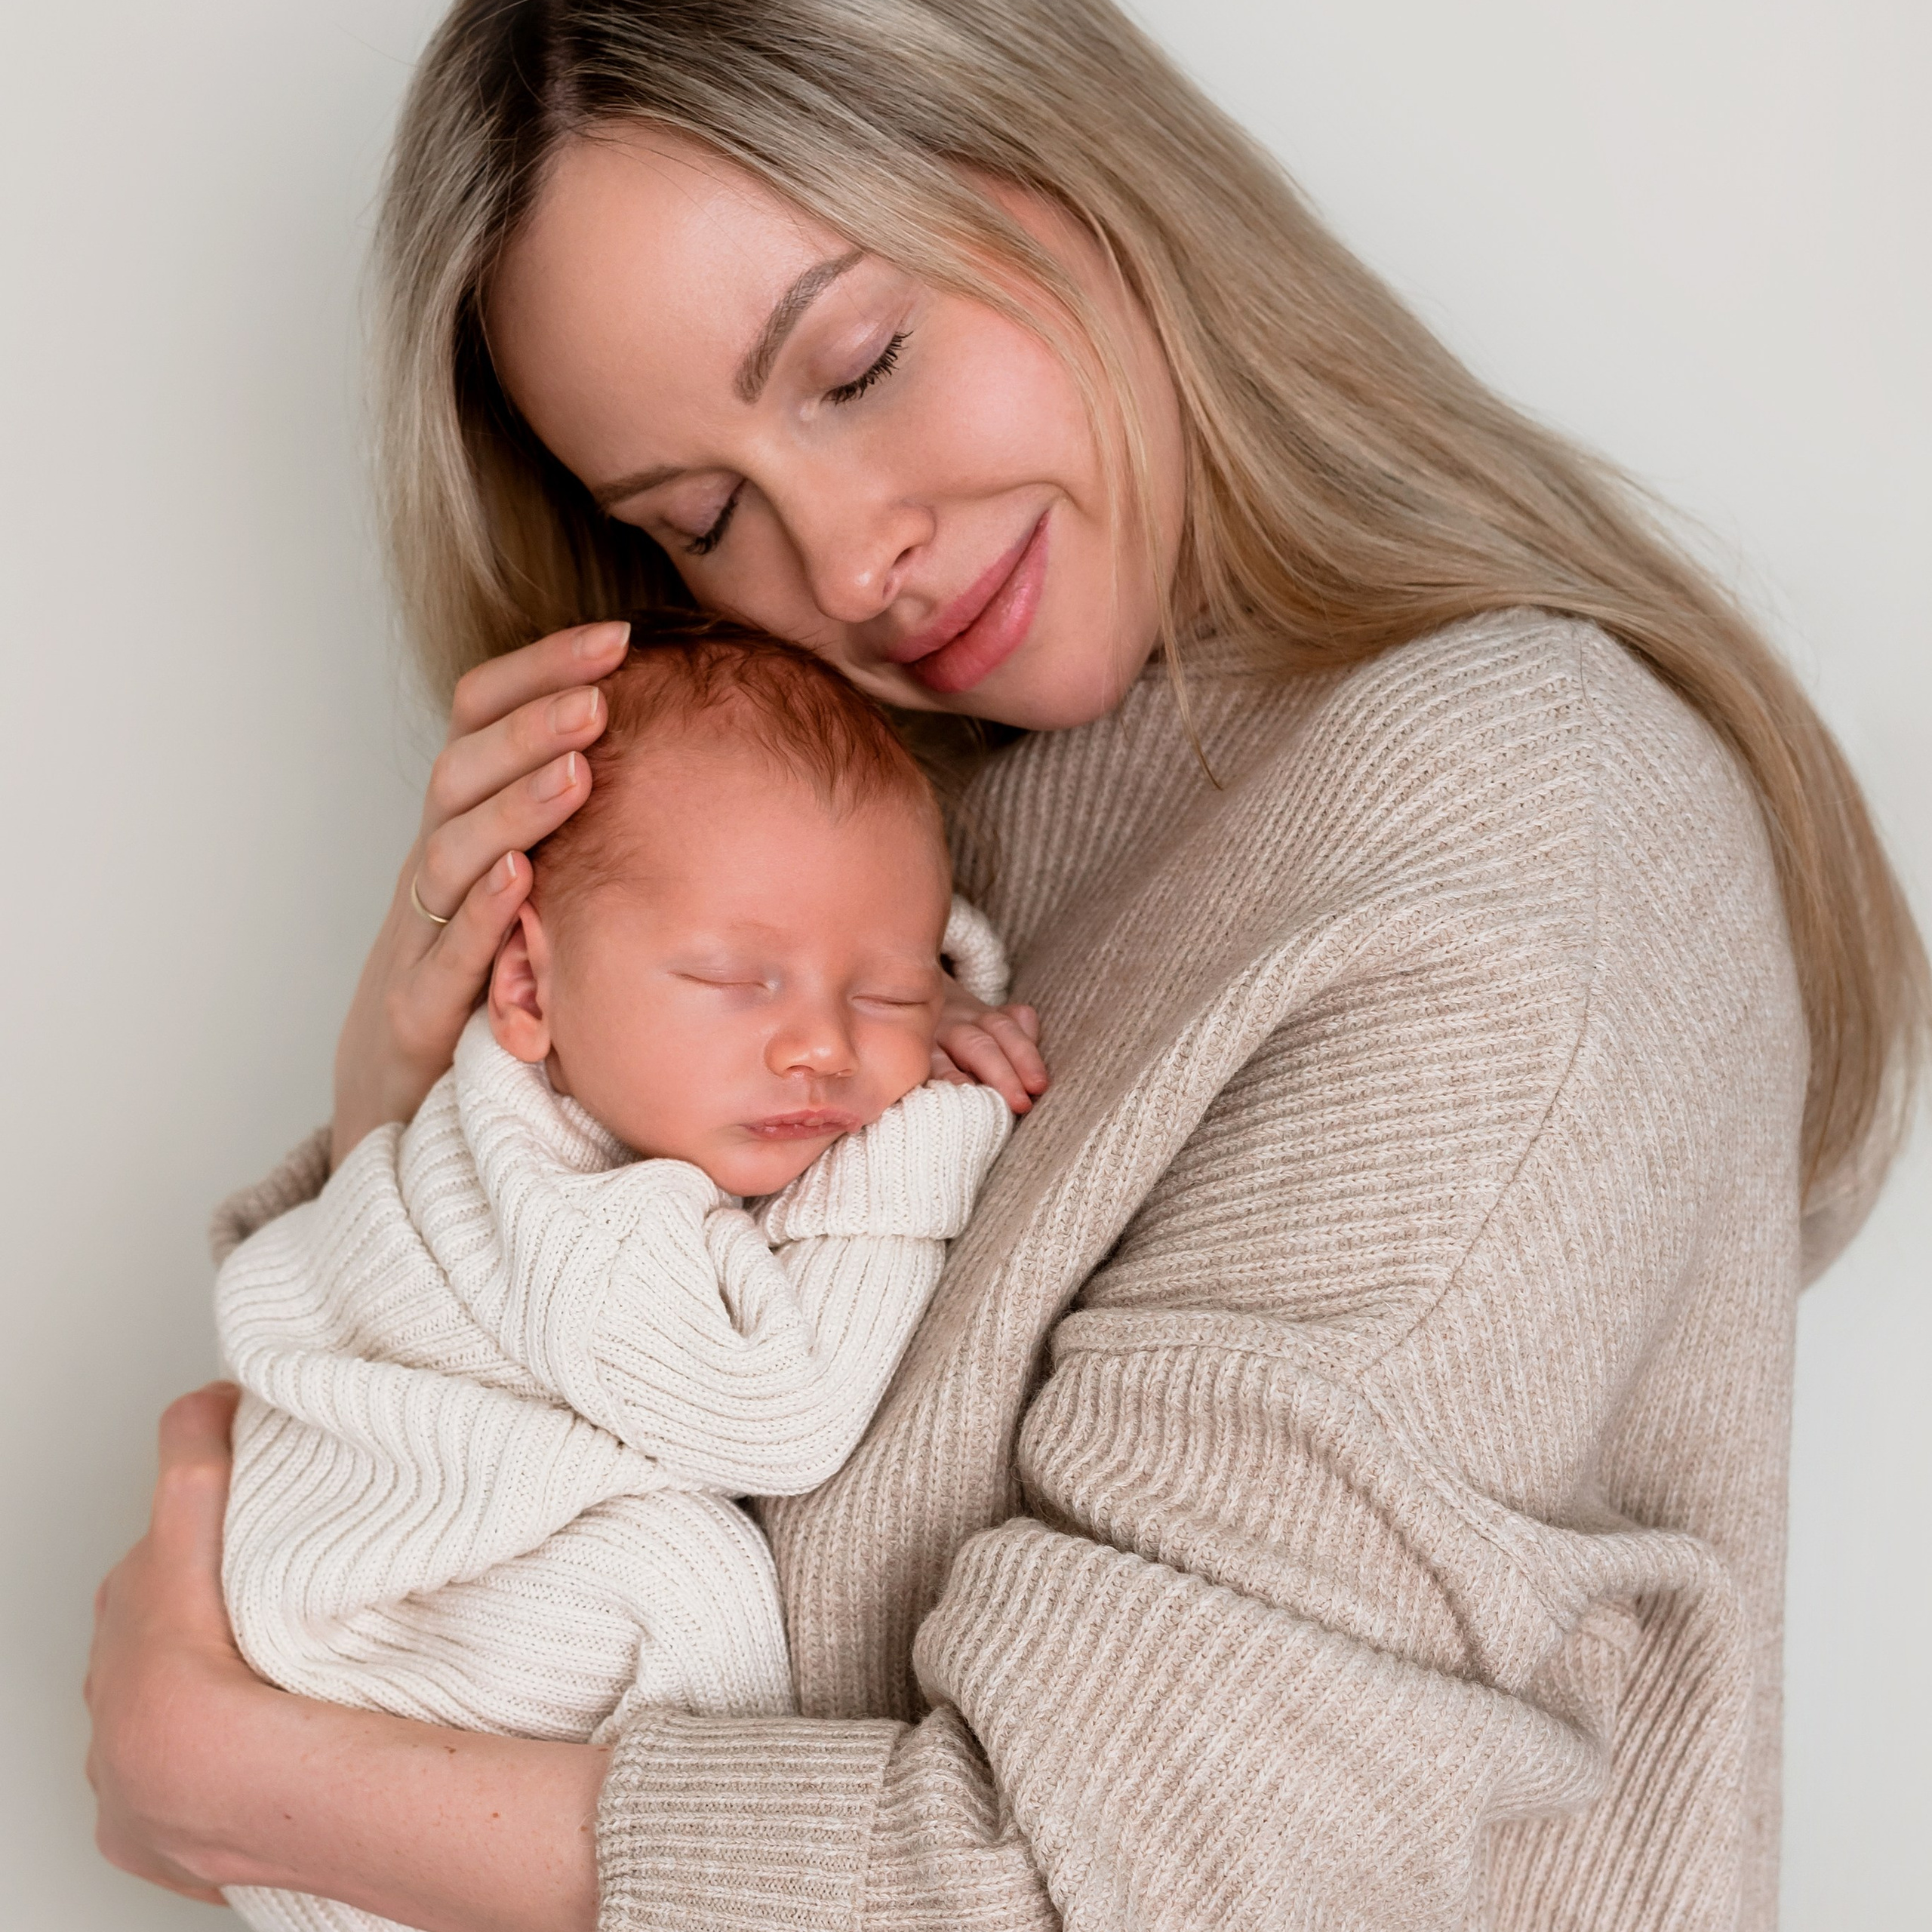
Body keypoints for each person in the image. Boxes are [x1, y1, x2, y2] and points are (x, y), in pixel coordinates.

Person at [85, 3, 1928, 1929]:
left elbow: (1103, 1890)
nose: (845, 558)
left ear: (1086, 173)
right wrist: (416, 1099)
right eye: (697, 517)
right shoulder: (895, 863)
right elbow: (477, 1577)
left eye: (859, 364)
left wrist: (257, 1787)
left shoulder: (1510, 816)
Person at [216, 626, 1024, 1932]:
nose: (821, 1045)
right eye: (733, 979)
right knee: (681, 1579)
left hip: (365, 1719)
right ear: (528, 984)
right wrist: (930, 1132)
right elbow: (778, 1414)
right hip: (395, 1649)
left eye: (884, 992)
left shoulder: (618, 1090)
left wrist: (933, 998)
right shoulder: (569, 1207)